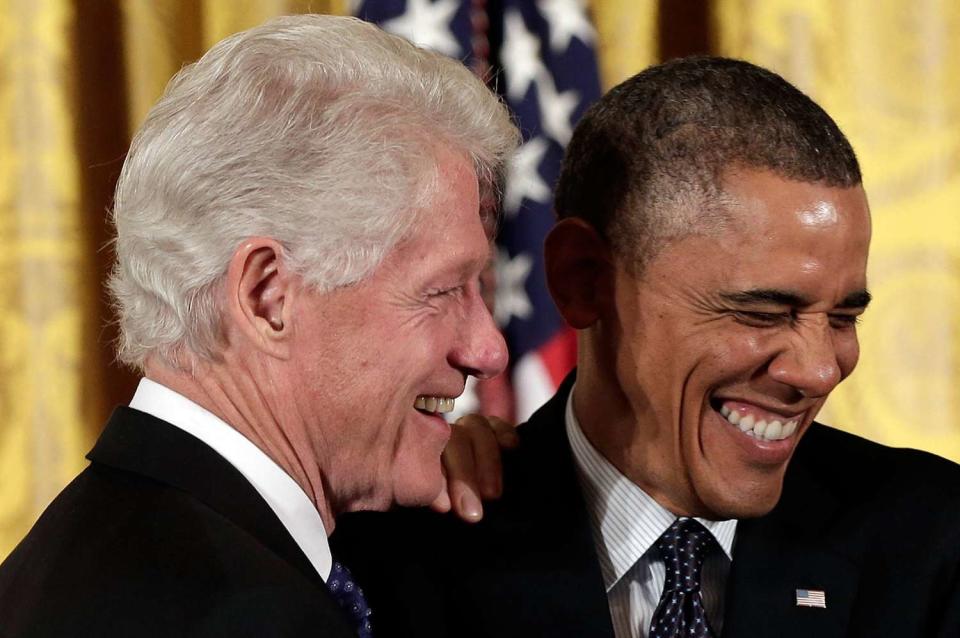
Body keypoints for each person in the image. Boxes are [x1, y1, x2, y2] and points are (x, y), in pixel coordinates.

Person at [332, 56, 960, 637]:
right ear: (584, 280)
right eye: (762, 312)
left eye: (844, 317)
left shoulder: (932, 541)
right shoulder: (402, 555)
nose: (820, 370)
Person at [0, 14, 518, 637]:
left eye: (479, 289)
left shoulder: (92, 547)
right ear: (268, 296)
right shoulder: (246, 615)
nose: (487, 349)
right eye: (441, 291)